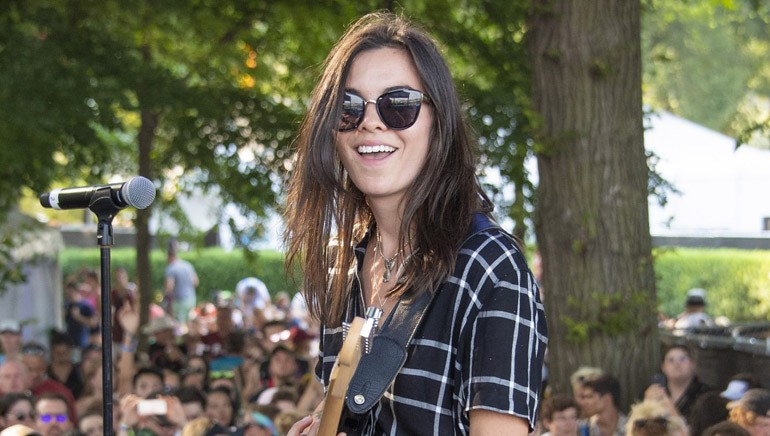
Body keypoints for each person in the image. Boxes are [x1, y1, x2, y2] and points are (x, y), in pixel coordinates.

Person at [283, 11, 547, 435]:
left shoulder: (490, 268)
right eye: (348, 107)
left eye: (398, 104)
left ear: (438, 121)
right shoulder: (341, 263)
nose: (371, 122)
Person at [644, 344, 712, 423]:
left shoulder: (707, 395)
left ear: (693, 364)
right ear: (663, 367)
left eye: (683, 359)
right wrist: (646, 406)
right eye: (671, 360)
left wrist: (670, 408)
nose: (676, 364)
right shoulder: (650, 391)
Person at [164, 239, 199, 324]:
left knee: (179, 324)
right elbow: (196, 282)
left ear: (169, 256)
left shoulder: (171, 268)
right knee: (189, 323)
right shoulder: (188, 265)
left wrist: (165, 297)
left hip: (179, 301)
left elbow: (169, 287)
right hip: (191, 299)